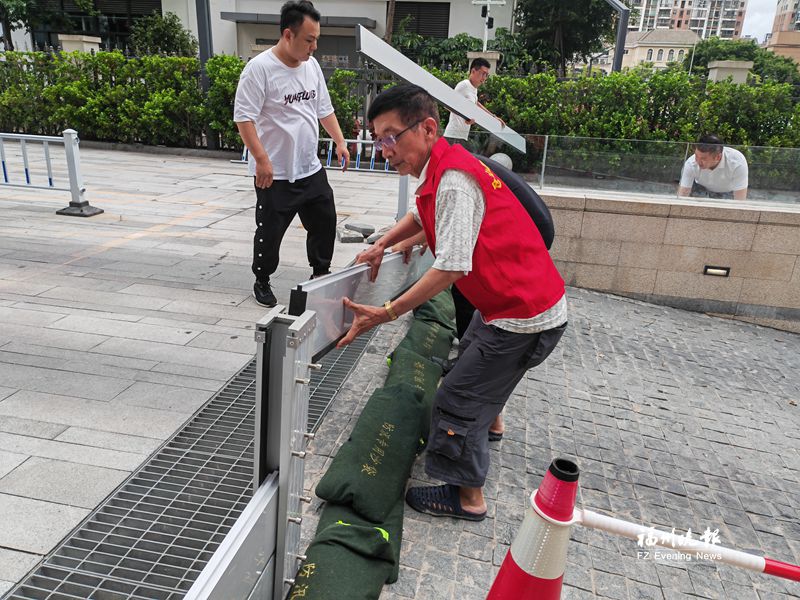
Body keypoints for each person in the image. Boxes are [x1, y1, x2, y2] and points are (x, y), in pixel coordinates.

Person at [337, 84, 567, 522]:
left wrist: (385, 313)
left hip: (522, 315)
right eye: (377, 139)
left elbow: (452, 267)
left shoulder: (455, 181)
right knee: (475, 353)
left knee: (454, 399)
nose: (385, 150)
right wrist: (383, 244)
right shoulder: (443, 166)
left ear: (427, 128)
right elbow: (423, 214)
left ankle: (468, 497)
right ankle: (492, 421)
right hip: (512, 303)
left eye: (391, 137)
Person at [234, 0, 350, 307]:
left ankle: (320, 274)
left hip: (309, 168)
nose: (314, 47)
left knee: (325, 222)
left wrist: (339, 141)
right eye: (309, 40)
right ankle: (262, 279)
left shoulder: (311, 67)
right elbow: (243, 118)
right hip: (276, 173)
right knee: (270, 233)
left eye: (316, 40)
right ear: (288, 35)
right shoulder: (259, 70)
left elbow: (323, 108)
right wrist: (261, 160)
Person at [443, 58, 504, 152]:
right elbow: (447, 105)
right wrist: (465, 117)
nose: (484, 78)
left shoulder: (473, 89)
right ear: (473, 71)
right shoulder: (464, 85)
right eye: (483, 73)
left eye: (486, 75)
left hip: (461, 137)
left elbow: (476, 104)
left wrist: (493, 117)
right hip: (453, 136)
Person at [678, 134, 748, 200]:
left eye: (703, 159)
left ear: (718, 157)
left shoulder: (737, 162)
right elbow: (683, 194)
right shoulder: (691, 163)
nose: (698, 161)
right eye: (696, 156)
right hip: (700, 189)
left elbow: (740, 199)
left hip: (730, 192)